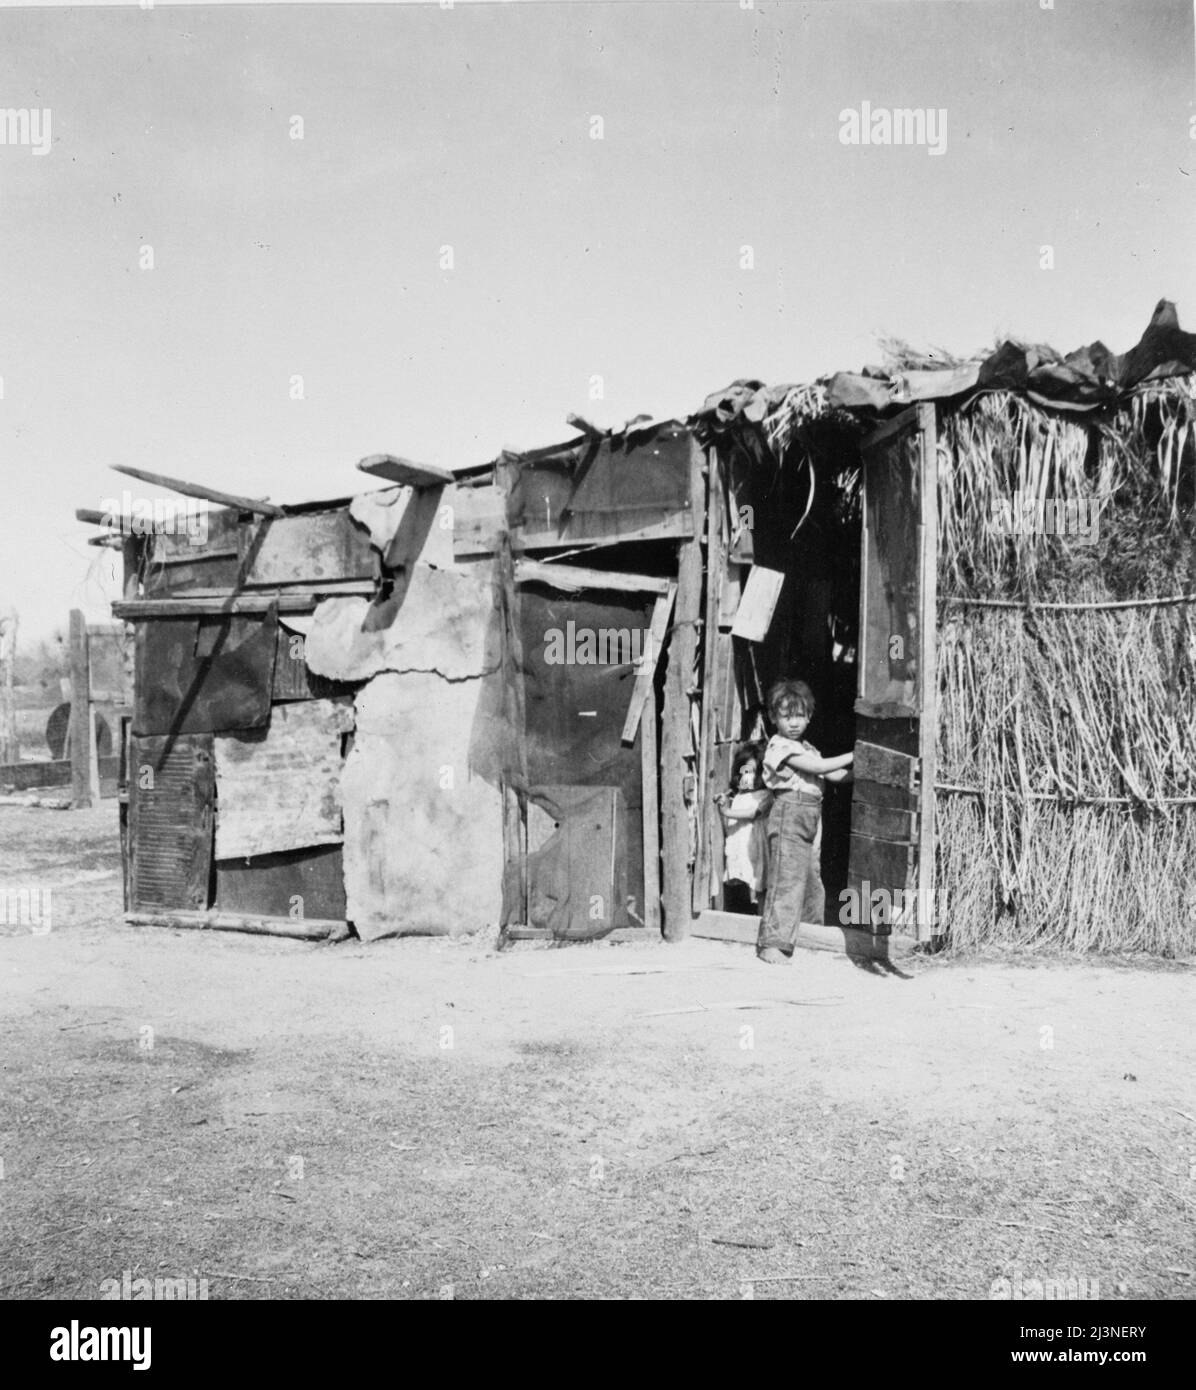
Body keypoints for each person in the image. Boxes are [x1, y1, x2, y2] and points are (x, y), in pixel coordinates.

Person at [757, 679, 853, 964]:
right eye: (787, 717)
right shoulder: (779, 746)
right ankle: (772, 944)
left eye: (800, 716)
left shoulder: (808, 747)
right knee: (786, 878)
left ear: (809, 716)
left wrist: (864, 771)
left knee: (812, 877)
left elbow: (833, 775)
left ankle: (811, 935)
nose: (794, 723)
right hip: (790, 811)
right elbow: (821, 767)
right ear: (774, 718)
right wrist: (855, 753)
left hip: (812, 812)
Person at [715, 742, 772, 914]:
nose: (751, 777)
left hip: (754, 846)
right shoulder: (738, 794)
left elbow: (753, 813)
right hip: (739, 845)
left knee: (758, 883)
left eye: (756, 773)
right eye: (746, 772)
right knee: (740, 881)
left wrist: (726, 811)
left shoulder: (766, 795)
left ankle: (761, 918)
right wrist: (724, 800)